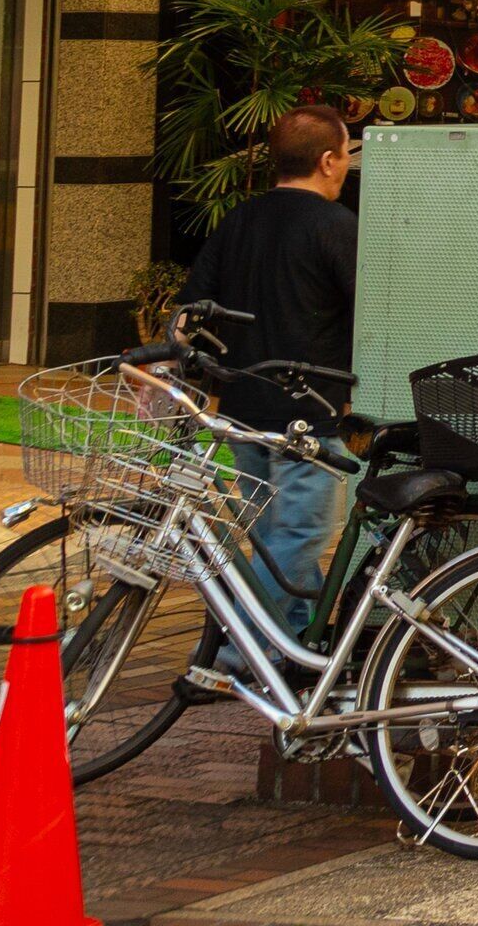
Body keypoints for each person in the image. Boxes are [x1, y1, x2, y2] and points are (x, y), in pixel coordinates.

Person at [181, 107, 365, 635]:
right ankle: (237, 649)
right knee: (300, 536)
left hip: (241, 409)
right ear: (328, 160)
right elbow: (368, 313)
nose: (346, 166)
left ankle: (291, 643)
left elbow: (192, 308)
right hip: (311, 413)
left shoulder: (240, 218)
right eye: (347, 154)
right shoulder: (335, 226)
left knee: (270, 534)